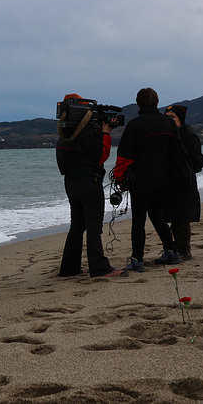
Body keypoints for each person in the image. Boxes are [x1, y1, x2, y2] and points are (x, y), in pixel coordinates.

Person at [56, 93, 128, 278]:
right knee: (94, 225)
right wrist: (106, 133)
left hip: (71, 182)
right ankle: (99, 268)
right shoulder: (86, 132)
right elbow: (101, 156)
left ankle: (69, 268)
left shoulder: (64, 133)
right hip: (90, 181)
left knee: (77, 226)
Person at [113, 88, 182, 272]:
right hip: (165, 179)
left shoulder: (135, 125)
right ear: (157, 103)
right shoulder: (169, 122)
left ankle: (137, 260)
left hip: (142, 180)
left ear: (139, 104)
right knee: (157, 215)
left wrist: (119, 178)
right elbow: (177, 150)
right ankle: (171, 251)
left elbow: (124, 156)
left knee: (138, 220)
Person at [164, 105, 203, 261]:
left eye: (172, 117)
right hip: (169, 182)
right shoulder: (167, 137)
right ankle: (174, 247)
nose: (170, 120)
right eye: (167, 117)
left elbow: (197, 163)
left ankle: (184, 250)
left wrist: (183, 169)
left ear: (181, 119)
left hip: (185, 183)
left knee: (182, 218)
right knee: (172, 217)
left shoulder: (189, 137)